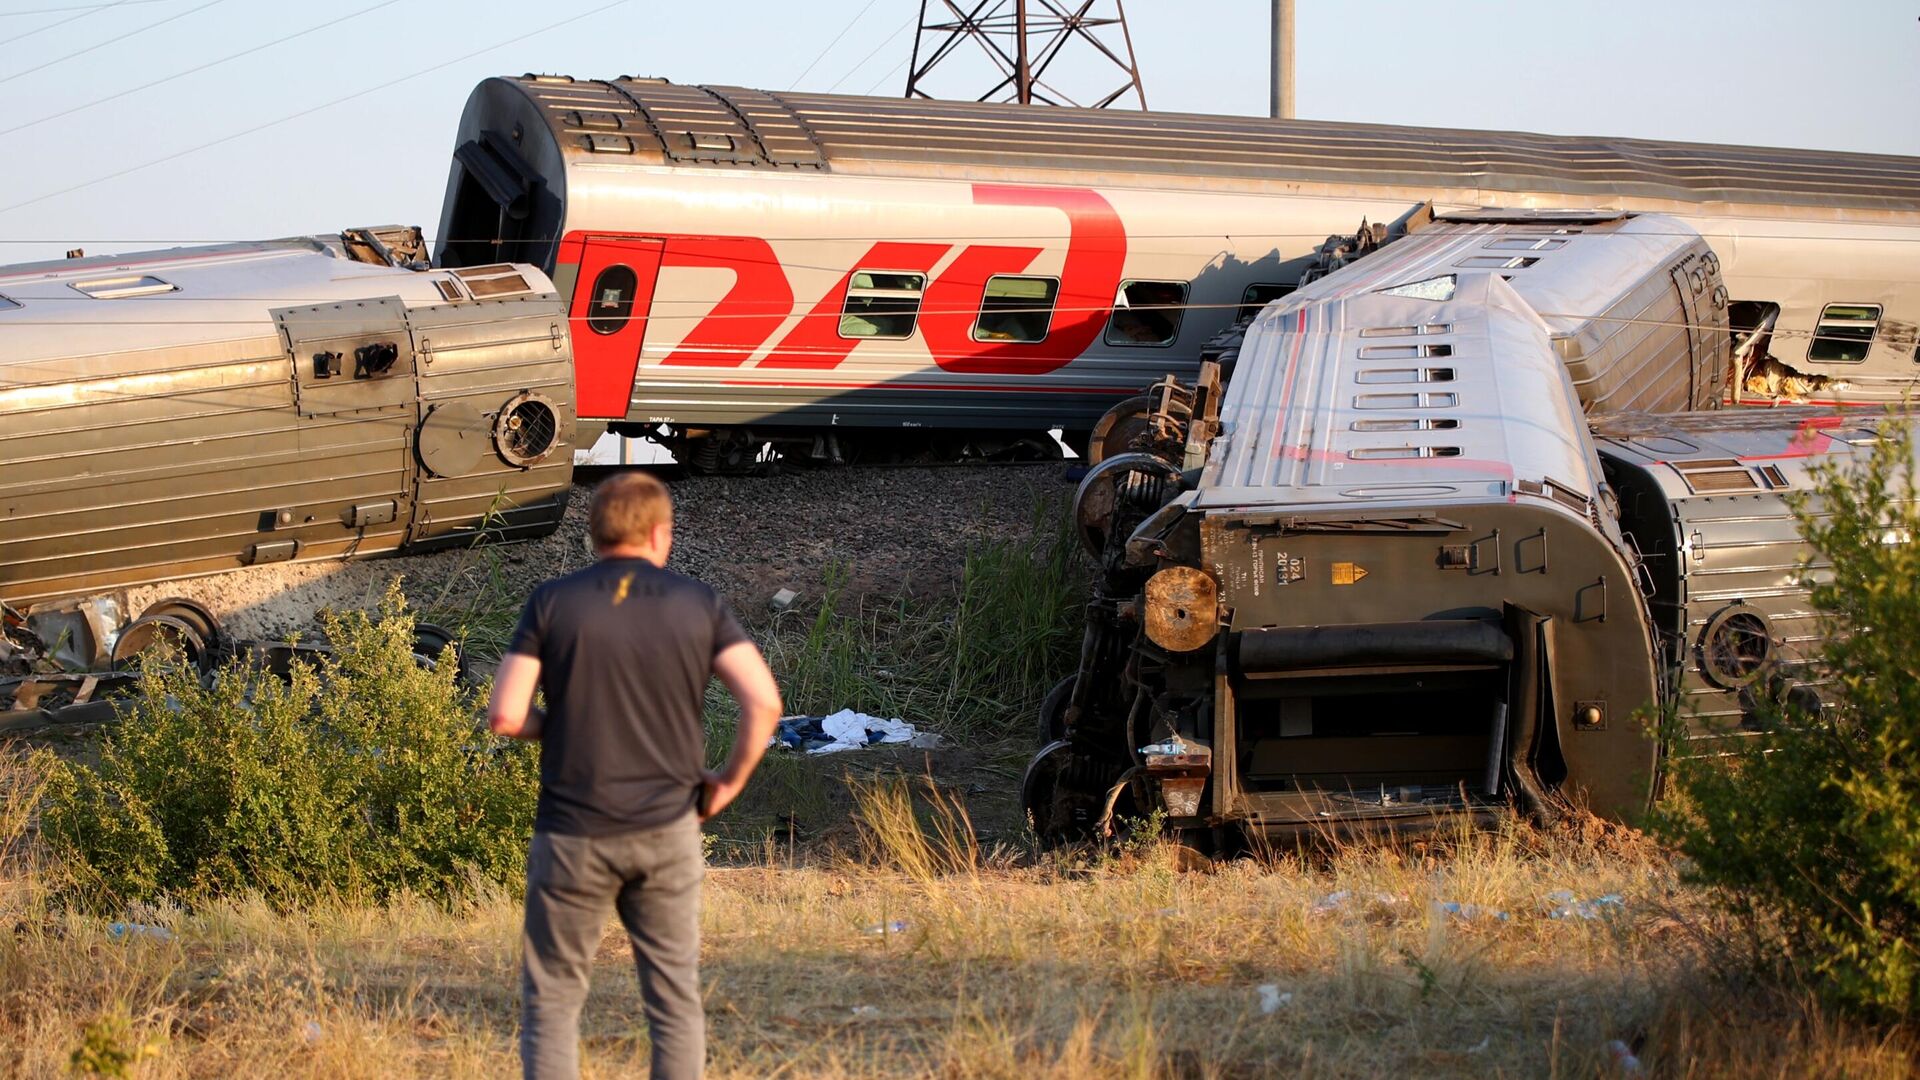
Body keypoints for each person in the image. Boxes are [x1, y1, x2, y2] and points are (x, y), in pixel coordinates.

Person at [487, 471, 782, 1080]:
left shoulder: (553, 602)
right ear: (661, 534)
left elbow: (506, 714)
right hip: (667, 826)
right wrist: (727, 782)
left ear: (595, 534)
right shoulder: (699, 604)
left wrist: (561, 726)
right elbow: (764, 702)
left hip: (572, 831)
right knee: (673, 999)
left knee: (553, 1003)